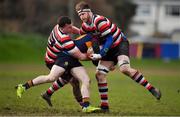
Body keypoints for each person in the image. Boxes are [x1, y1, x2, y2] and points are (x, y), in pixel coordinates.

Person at [75, 1, 162, 112]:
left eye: (83, 14)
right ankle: (105, 107)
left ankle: (152, 89)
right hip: (109, 49)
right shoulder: (85, 27)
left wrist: (100, 54)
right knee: (99, 74)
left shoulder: (99, 21)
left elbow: (110, 39)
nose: (82, 17)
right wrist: (89, 50)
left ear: (89, 12)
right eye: (79, 15)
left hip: (120, 44)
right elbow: (84, 39)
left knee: (124, 69)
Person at [15, 16, 100, 113]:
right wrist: (94, 56)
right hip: (53, 60)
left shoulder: (57, 27)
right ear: (63, 27)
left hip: (65, 56)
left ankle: (85, 106)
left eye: (71, 26)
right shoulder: (65, 40)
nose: (71, 29)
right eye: (69, 27)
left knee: (83, 80)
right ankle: (24, 86)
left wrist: (82, 32)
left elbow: (72, 30)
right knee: (52, 78)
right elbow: (81, 57)